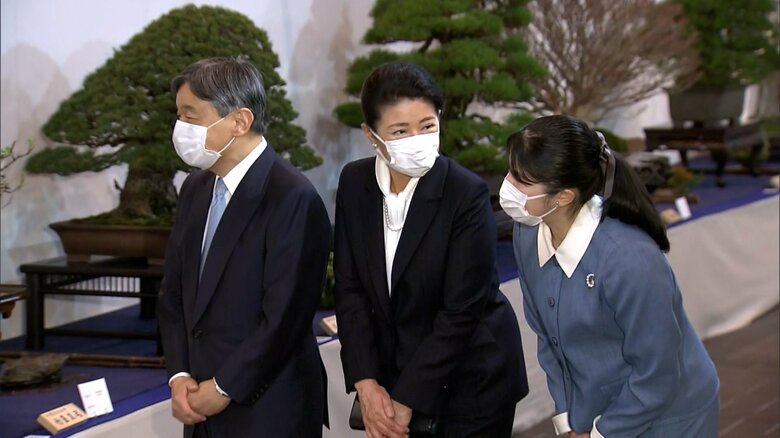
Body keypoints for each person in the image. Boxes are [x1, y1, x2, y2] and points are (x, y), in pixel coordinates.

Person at [334, 61, 529, 438]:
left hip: (470, 381)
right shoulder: (355, 183)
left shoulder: (464, 193)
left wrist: (407, 399)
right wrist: (366, 383)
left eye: (426, 126)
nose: (417, 139)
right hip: (393, 378)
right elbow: (350, 289)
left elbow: (461, 312)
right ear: (371, 135)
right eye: (400, 131)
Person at [501, 115, 720, 437]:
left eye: (521, 181)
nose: (507, 186)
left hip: (670, 417)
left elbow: (657, 372)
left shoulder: (629, 259)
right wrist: (569, 420)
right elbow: (549, 340)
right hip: (597, 412)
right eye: (510, 172)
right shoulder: (528, 233)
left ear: (563, 196)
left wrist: (602, 432)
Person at [157, 57, 331, 438]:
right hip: (199, 406)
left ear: (240, 121)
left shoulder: (292, 197)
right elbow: (173, 293)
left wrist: (223, 387)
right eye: (179, 116)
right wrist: (179, 374)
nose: (181, 129)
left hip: (268, 410)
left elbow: (284, 318)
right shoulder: (195, 188)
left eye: (191, 117)